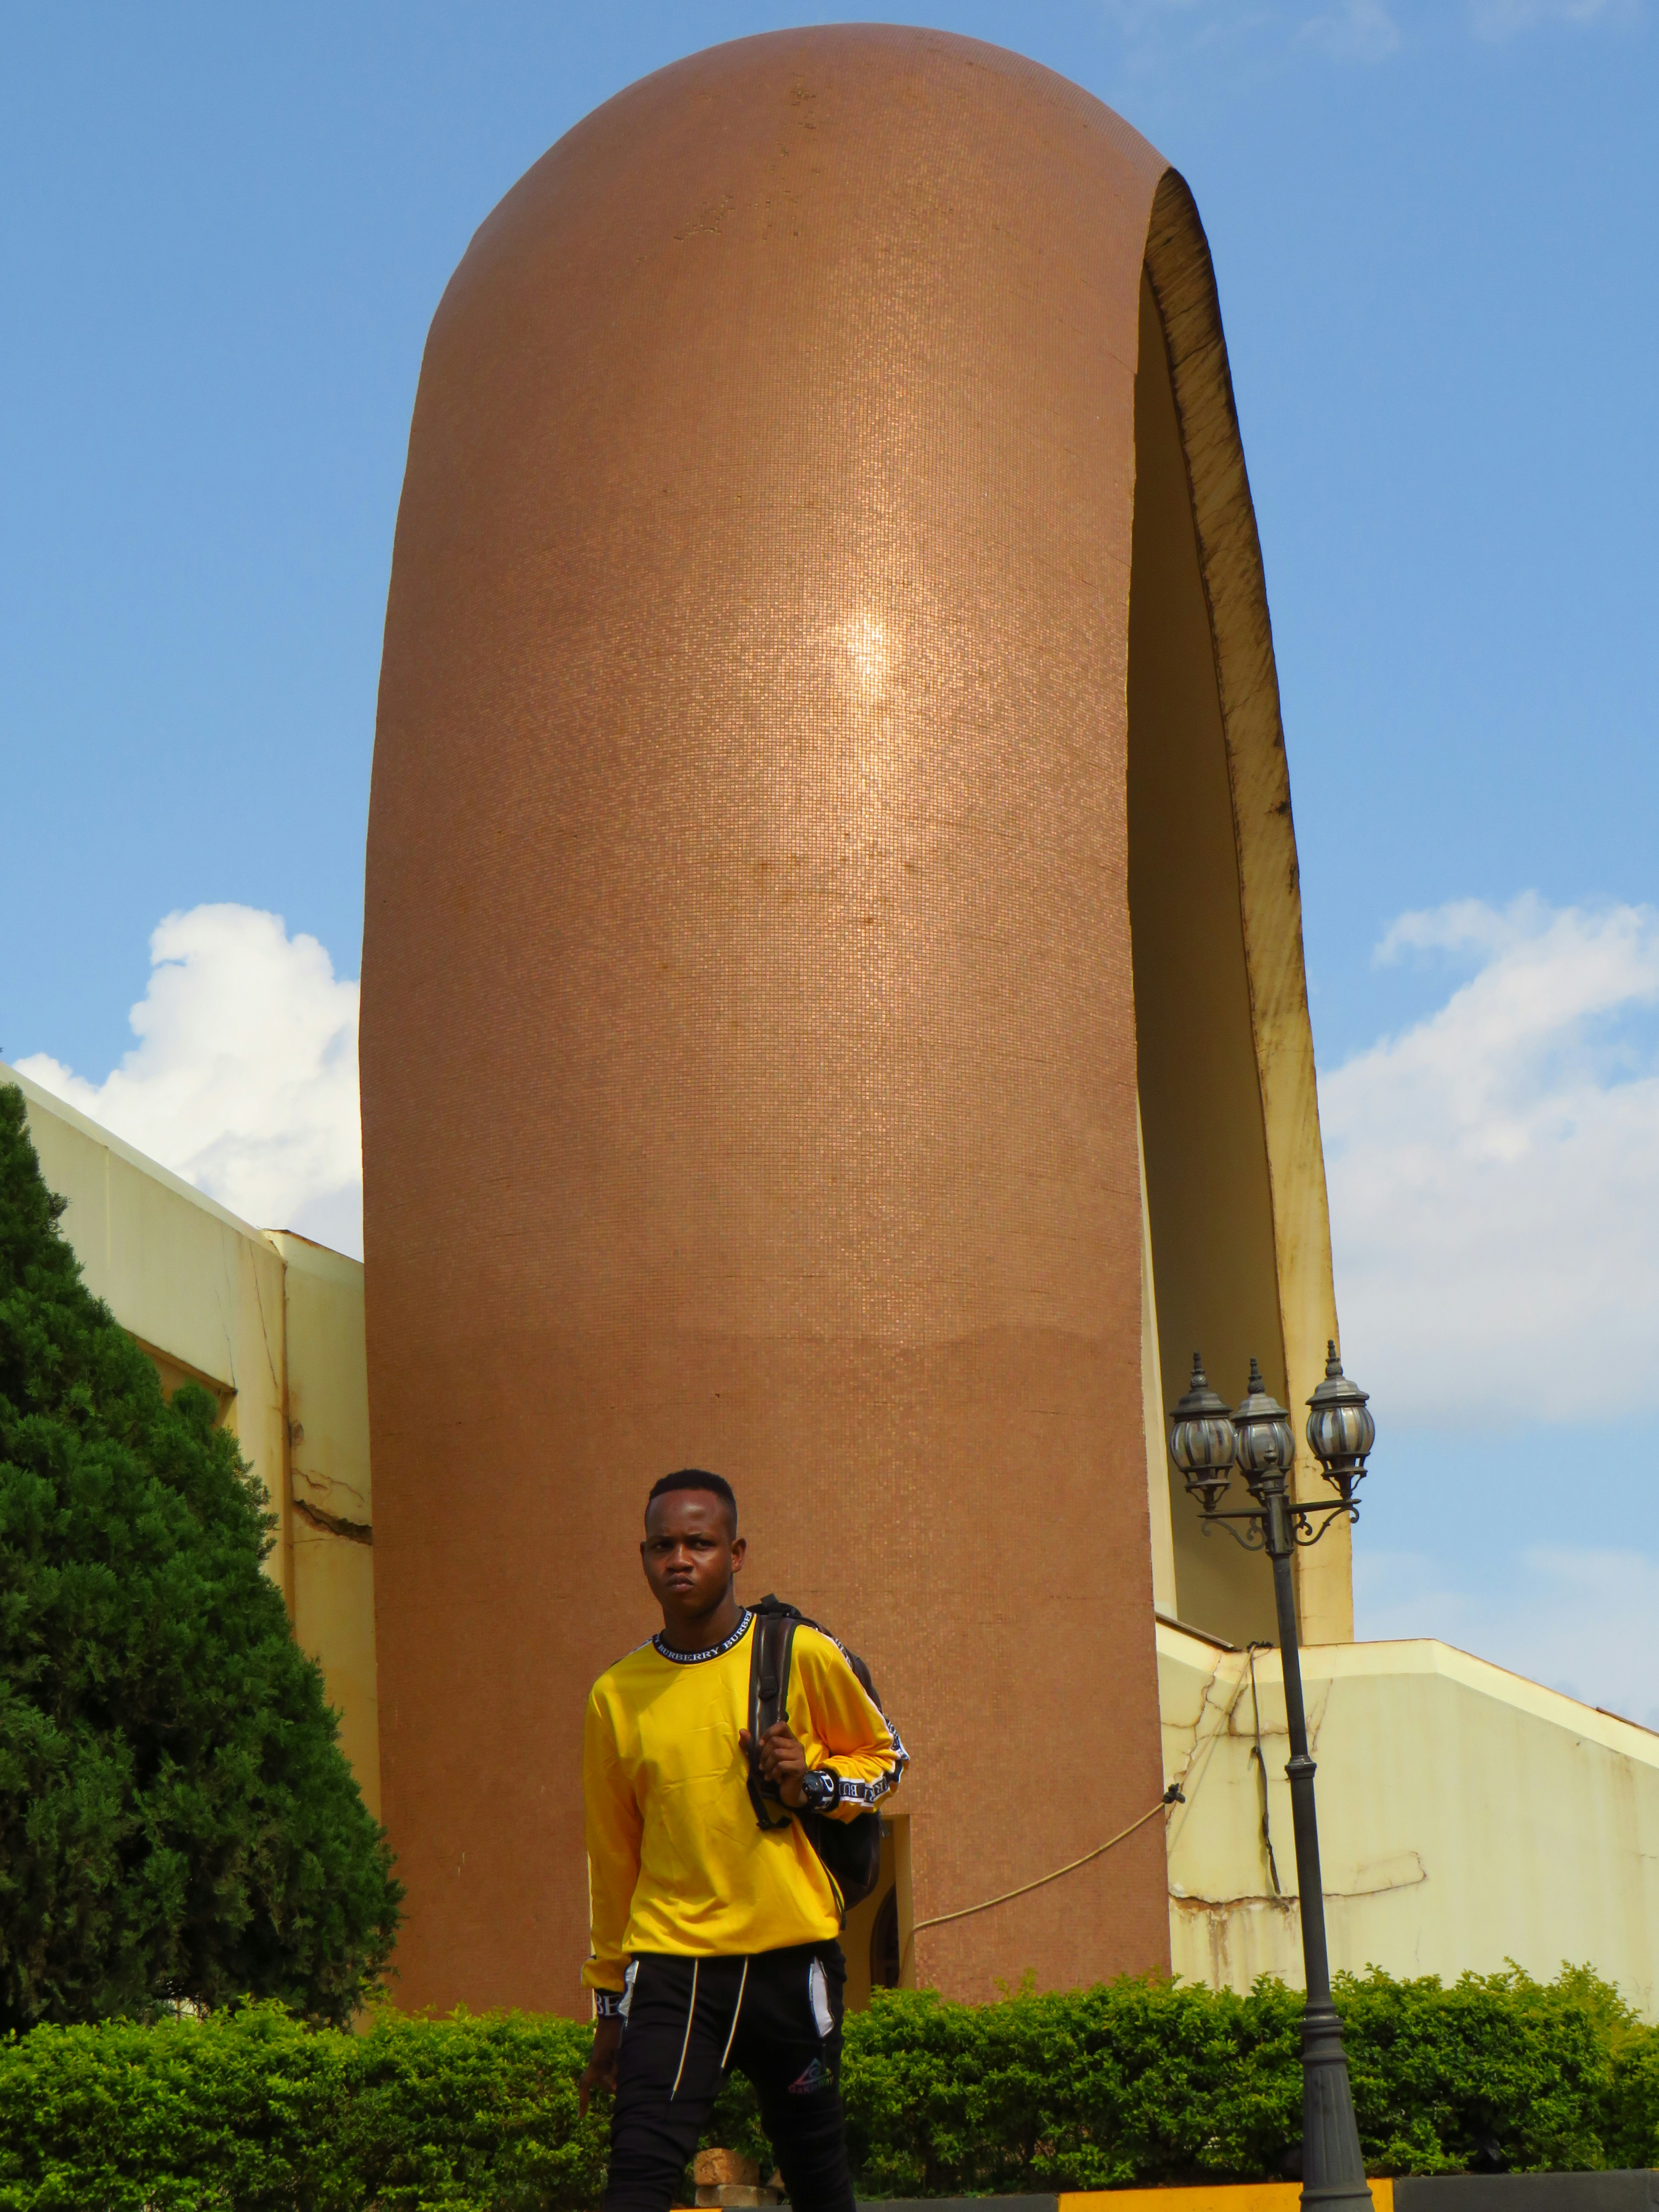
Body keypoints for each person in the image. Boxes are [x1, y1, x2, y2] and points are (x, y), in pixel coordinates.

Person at [578, 1469, 908, 2212]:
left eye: (701, 1542)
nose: (681, 1559)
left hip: (791, 1963)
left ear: (738, 1552)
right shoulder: (614, 1696)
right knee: (633, 2187)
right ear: (644, 1557)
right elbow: (612, 1858)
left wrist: (812, 1784)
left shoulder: (800, 1654)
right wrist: (608, 2006)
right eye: (664, 1545)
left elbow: (887, 1761)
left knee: (820, 2184)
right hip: (674, 1972)